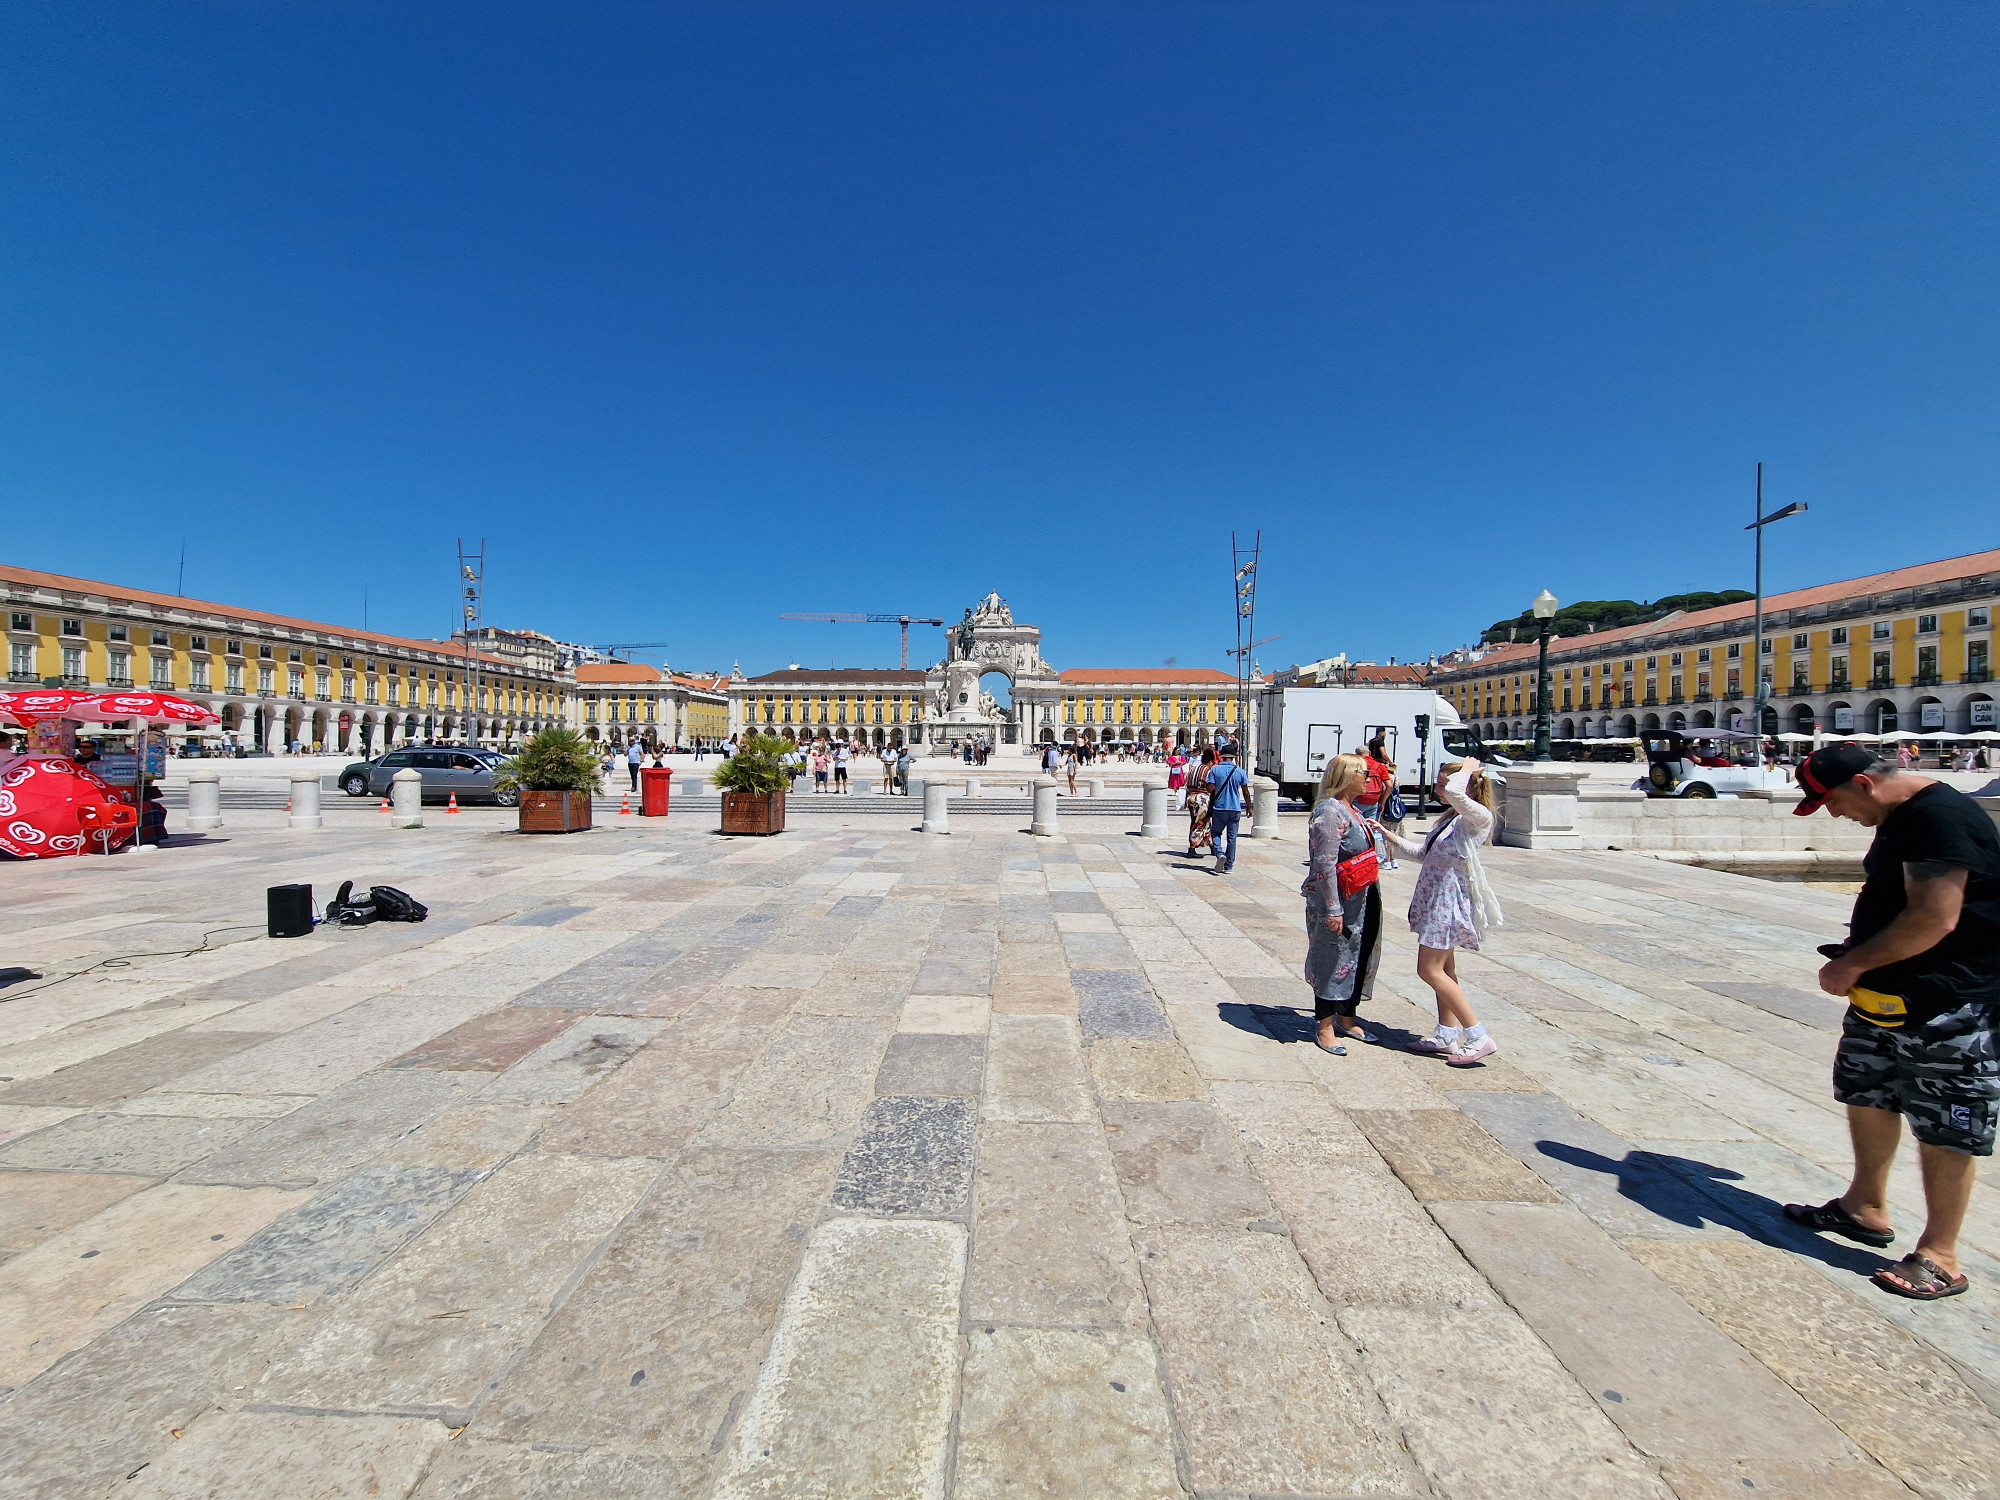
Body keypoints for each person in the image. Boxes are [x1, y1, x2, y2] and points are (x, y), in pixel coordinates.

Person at [1781, 745, 2000, 1301]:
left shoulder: (1939, 817)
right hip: (1888, 996)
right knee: (1868, 1091)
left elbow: (1935, 916)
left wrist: (1852, 962)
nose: (1834, 814)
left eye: (1831, 802)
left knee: (1948, 1118)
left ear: (1864, 783)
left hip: (1946, 1000)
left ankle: (1941, 1254)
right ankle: (1865, 1205)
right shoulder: (1905, 816)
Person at [1374, 759, 1504, 1065]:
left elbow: (1459, 794)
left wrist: (1464, 773)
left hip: (1448, 903)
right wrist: (1385, 833)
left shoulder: (1477, 816)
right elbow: (1423, 854)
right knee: (1444, 971)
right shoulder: (1452, 820)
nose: (1437, 788)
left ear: (1465, 784)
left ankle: (1477, 1035)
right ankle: (1446, 1034)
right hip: (1434, 900)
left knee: (1428, 970)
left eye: (1443, 783)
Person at [1304, 754, 1383, 1055]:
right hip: (1338, 900)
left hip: (1363, 896)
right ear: (1347, 776)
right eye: (1364, 773)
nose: (1369, 778)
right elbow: (1323, 862)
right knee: (1331, 957)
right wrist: (1333, 908)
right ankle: (1324, 1026)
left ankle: (1346, 1016)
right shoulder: (1330, 811)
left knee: (1358, 953)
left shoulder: (1355, 810)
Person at [1205, 746, 1248, 875]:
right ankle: (1229, 866)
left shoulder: (1215, 770)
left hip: (1220, 807)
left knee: (1216, 833)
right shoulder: (1240, 771)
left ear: (1220, 756)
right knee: (1232, 837)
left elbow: (1210, 789)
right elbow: (1245, 791)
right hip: (1235, 808)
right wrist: (1250, 808)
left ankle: (1219, 853)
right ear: (1234, 757)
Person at [1185, 747, 1216, 856]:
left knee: (1205, 822)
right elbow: (1211, 786)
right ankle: (1192, 848)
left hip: (1191, 797)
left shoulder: (1193, 769)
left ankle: (1212, 846)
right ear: (1211, 761)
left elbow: (1186, 782)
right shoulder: (1209, 771)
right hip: (1202, 799)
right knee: (1199, 823)